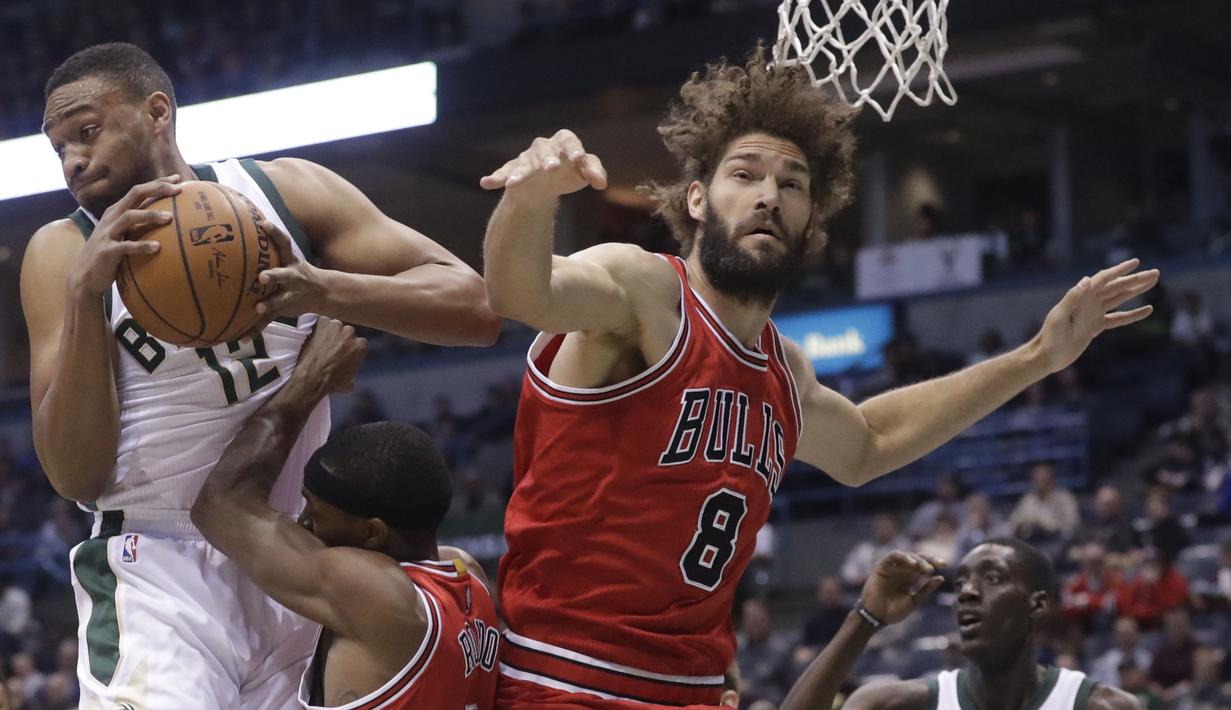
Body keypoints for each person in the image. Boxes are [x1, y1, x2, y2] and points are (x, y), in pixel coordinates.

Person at [480, 44, 1159, 708]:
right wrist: (530, 199)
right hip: (566, 678)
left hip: (690, 689)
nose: (768, 196)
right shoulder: (640, 291)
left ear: (811, 226)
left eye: (791, 184)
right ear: (695, 199)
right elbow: (521, 293)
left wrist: (1037, 355)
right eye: (744, 175)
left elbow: (867, 443)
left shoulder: (784, 373)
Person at [22, 43, 498, 708]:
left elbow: (475, 310)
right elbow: (74, 475)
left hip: (293, 554)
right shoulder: (63, 252)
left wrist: (322, 290)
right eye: (59, 147)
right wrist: (82, 298)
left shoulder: (284, 194)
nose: (72, 159)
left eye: (87, 131)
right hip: (156, 566)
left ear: (157, 111)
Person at [191, 318, 499, 709]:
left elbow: (219, 504)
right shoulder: (468, 576)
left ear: (373, 533)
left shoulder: (380, 596)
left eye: (316, 512)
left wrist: (311, 379)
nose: (302, 522)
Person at [836, 540, 1140, 710]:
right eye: (960, 583)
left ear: (1036, 604)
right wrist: (865, 618)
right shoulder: (891, 705)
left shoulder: (1102, 707)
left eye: (992, 578)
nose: (966, 592)